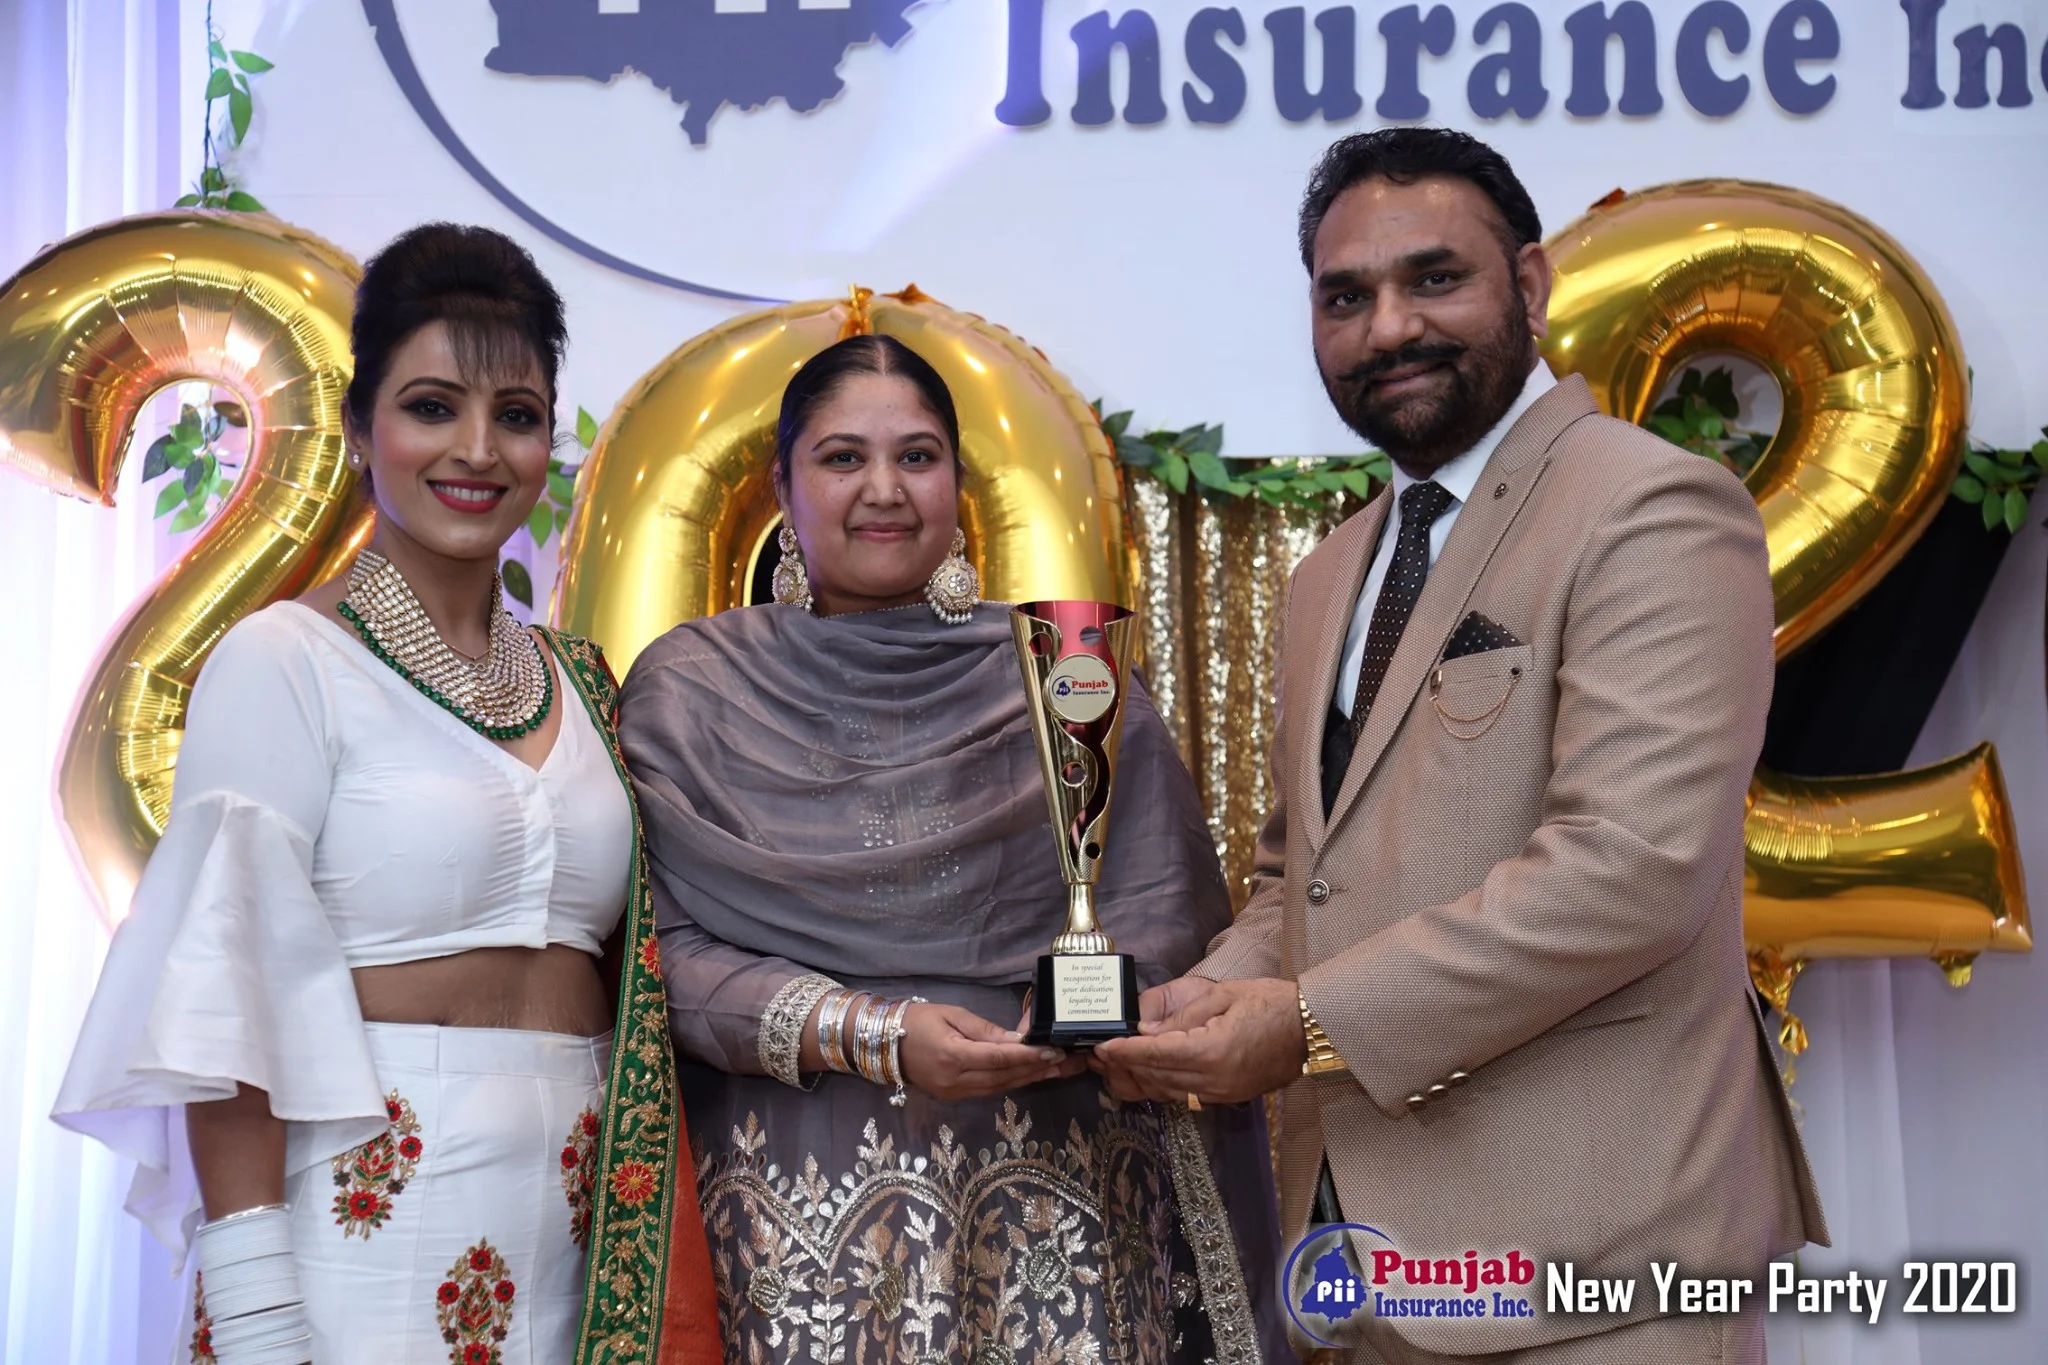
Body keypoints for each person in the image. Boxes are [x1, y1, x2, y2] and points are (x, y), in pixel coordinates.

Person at [1094, 129, 1827, 1364]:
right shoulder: (1332, 571)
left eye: (1432, 279)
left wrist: (1301, 1025)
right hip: (1357, 1264)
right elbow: (1300, 880)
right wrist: (1206, 999)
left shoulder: (1647, 506)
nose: (1388, 328)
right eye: (1345, 297)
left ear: (1528, 285)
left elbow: (1629, 870)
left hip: (1597, 1270)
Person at [53, 223, 719, 1365]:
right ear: (361, 428)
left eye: (516, 414)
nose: (478, 449)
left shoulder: (583, 683)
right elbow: (227, 1000)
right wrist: (255, 1311)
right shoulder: (284, 662)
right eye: (431, 407)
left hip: (578, 1237)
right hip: (353, 1235)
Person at [618, 334, 1290, 1364]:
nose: (884, 489)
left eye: (917, 456)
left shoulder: (1064, 675)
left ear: (958, 483)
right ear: (782, 488)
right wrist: (871, 1033)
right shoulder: (692, 688)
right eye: (843, 457)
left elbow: (1162, 908)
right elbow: (660, 957)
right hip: (796, 1216)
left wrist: (1078, 1019)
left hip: (1052, 1195)